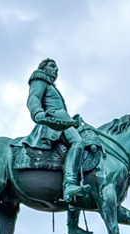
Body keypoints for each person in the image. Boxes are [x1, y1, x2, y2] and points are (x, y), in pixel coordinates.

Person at [21, 58, 89, 209]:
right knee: (78, 142)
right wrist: (37, 112)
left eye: (57, 68)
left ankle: (73, 217)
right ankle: (69, 184)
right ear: (43, 68)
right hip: (54, 120)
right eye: (52, 66)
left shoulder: (51, 86)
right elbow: (33, 98)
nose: (56, 70)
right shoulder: (40, 79)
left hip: (63, 120)